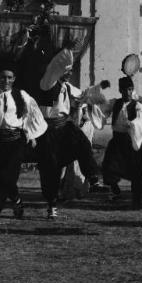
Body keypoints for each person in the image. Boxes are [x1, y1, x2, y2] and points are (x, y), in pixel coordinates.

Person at [0, 61, 47, 229]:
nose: (6, 81)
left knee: (5, 178)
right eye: (3, 77)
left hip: (15, 142)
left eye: (9, 78)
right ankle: (17, 201)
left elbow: (31, 114)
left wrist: (31, 134)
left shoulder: (21, 95)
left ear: (14, 79)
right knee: (5, 179)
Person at [35, 48, 101, 218]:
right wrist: (61, 61)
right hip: (48, 130)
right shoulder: (47, 83)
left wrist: (87, 97)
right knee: (51, 168)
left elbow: (82, 94)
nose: (69, 74)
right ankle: (51, 203)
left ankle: (93, 178)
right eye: (67, 71)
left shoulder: (67, 86)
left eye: (71, 71)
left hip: (65, 126)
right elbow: (53, 72)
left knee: (83, 143)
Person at [101, 76, 142, 208]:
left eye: (130, 89)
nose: (127, 92)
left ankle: (136, 198)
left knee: (136, 171)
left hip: (130, 141)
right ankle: (115, 189)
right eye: (124, 90)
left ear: (132, 90)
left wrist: (133, 124)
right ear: (120, 90)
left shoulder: (137, 105)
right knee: (108, 166)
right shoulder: (115, 103)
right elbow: (102, 111)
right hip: (116, 140)